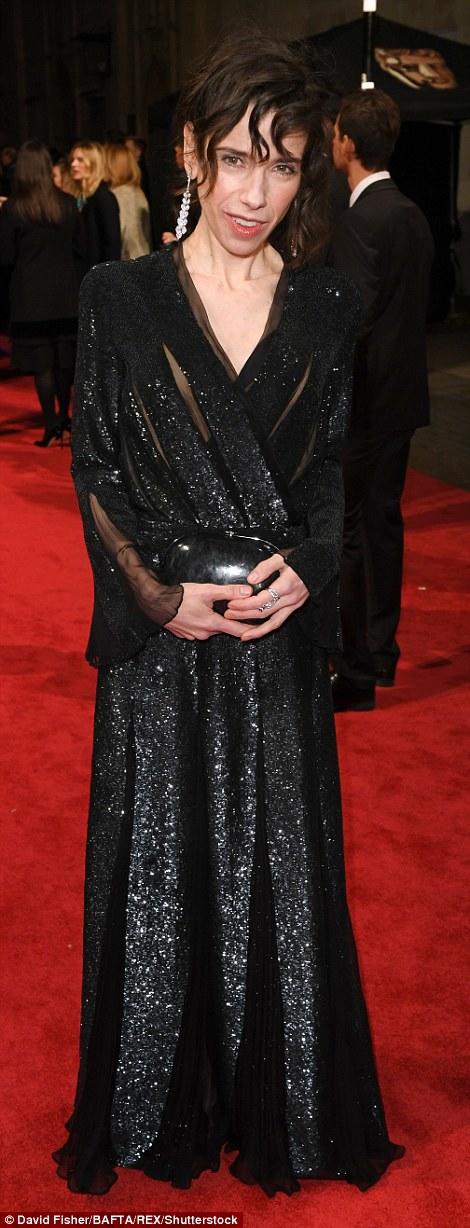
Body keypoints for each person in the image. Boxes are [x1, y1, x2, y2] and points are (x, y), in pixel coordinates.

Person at [53, 33, 404, 1197]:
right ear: (191, 154)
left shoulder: (327, 306)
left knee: (281, 869)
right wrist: (157, 596)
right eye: (239, 158)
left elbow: (326, 483)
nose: (257, 192)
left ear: (306, 173)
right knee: (160, 870)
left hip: (269, 639)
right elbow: (97, 467)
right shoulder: (117, 297)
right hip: (165, 646)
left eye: (285, 165)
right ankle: (155, 1095)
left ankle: (286, 1100)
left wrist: (311, 568)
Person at [328, 90, 434, 709]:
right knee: (382, 525)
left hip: (366, 401)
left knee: (352, 531)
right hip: (402, 398)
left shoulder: (361, 218)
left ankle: (357, 669)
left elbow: (355, 318)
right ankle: (381, 653)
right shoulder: (411, 212)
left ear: (347, 143)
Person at [0, 140, 84, 446]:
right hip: (66, 296)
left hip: (30, 299)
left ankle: (51, 424)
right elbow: (80, 250)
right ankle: (65, 417)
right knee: (63, 362)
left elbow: (6, 257)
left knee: (43, 365)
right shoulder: (67, 204)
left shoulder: (14, 209)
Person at [69, 141, 121, 270]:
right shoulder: (81, 197)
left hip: (98, 274)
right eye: (73, 159)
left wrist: (105, 277)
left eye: (80, 160)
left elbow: (112, 244)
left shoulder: (103, 197)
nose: (73, 164)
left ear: (93, 164)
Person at [106, 142, 151, 259]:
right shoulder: (136, 191)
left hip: (130, 260)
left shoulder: (121, 193)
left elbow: (126, 233)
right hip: (142, 255)